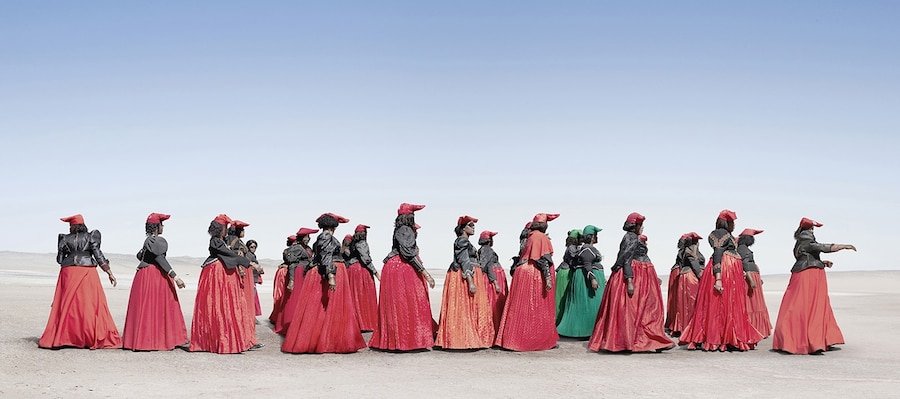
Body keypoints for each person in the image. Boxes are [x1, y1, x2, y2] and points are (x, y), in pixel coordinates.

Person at [282, 213, 366, 353]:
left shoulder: (323, 236)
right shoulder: (327, 236)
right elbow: (326, 256)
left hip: (325, 271)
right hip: (329, 271)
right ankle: (327, 341)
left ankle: (321, 339)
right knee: (327, 306)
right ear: (333, 226)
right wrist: (331, 275)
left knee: (321, 308)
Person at [679, 209, 762, 351]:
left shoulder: (727, 235)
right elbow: (718, 254)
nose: (734, 225)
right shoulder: (719, 234)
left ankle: (728, 336)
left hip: (730, 271)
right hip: (725, 272)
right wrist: (718, 278)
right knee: (723, 304)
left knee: (728, 304)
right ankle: (722, 337)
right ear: (725, 223)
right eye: (731, 222)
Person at [588, 213, 673, 353]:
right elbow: (626, 259)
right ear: (635, 226)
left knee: (643, 309)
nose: (643, 228)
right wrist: (629, 280)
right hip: (635, 276)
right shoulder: (631, 237)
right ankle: (640, 341)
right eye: (641, 225)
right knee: (639, 309)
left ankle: (648, 340)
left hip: (640, 275)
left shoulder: (632, 237)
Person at [772, 218, 856, 355]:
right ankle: (810, 341)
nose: (813, 230)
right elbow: (823, 247)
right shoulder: (807, 240)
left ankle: (810, 339)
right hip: (809, 276)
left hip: (805, 273)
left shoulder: (801, 242)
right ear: (809, 229)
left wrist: (821, 262)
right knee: (811, 306)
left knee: (800, 305)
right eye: (812, 228)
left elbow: (807, 255)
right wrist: (843, 246)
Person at [39, 214, 122, 349]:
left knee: (68, 304)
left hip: (69, 272)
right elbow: (98, 254)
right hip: (87, 271)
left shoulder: (64, 238)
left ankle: (65, 336)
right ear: (83, 225)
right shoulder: (91, 236)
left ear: (71, 227)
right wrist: (108, 271)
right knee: (89, 303)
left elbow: (60, 260)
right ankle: (87, 337)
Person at [369, 203, 437, 352]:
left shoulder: (400, 229)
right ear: (409, 217)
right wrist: (425, 273)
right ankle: (406, 340)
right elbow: (408, 254)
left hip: (395, 267)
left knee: (400, 303)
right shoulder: (405, 229)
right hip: (401, 269)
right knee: (408, 302)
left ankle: (397, 340)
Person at [190, 214, 257, 353]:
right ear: (220, 229)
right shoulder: (216, 242)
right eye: (225, 228)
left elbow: (230, 253)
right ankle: (222, 340)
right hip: (216, 275)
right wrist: (250, 263)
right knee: (220, 304)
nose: (226, 230)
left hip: (221, 273)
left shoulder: (221, 241)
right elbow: (229, 255)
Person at [123, 213, 188, 351]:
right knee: (159, 306)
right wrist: (175, 277)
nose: (163, 227)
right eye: (161, 225)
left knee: (146, 307)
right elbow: (160, 259)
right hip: (154, 276)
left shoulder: (147, 241)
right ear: (157, 226)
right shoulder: (157, 241)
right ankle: (156, 340)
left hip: (143, 276)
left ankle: (143, 339)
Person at [495, 213, 560, 351]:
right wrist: (548, 277)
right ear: (544, 225)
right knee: (535, 306)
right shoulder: (541, 237)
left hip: (522, 273)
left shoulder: (529, 237)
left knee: (519, 306)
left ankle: (512, 340)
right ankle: (533, 340)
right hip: (533, 274)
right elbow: (542, 259)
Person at [435, 216, 496, 349]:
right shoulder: (462, 241)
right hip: (464, 276)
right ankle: (461, 339)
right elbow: (464, 260)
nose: (473, 228)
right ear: (463, 228)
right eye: (470, 225)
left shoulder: (466, 242)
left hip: (471, 274)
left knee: (469, 305)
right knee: (463, 304)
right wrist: (470, 281)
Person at [557, 224, 605, 339]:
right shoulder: (588, 249)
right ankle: (586, 330)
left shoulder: (586, 248)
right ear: (592, 237)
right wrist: (593, 278)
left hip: (586, 278)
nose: (597, 237)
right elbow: (587, 264)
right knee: (590, 305)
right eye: (596, 235)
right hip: (587, 280)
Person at [274, 227, 318, 335]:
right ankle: (290, 324)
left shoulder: (306, 248)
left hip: (305, 274)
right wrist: (292, 280)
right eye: (307, 237)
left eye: (309, 237)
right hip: (298, 274)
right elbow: (292, 264)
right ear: (302, 237)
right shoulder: (297, 248)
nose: (308, 239)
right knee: (295, 298)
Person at [225, 220, 262, 346]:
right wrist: (241, 269)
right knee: (244, 303)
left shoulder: (232, 240)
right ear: (239, 231)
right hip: (242, 274)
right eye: (243, 230)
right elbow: (235, 257)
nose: (244, 232)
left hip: (243, 272)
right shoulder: (235, 241)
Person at [666, 232, 705, 338]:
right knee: (692, 302)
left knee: (685, 302)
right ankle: (690, 327)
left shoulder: (684, 250)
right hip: (691, 277)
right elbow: (695, 263)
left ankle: (683, 326)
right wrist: (702, 276)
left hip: (686, 275)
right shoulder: (692, 249)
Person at [737, 228, 771, 339]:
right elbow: (745, 264)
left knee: (755, 303)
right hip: (750, 277)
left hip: (753, 276)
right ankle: (755, 328)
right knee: (753, 303)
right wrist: (751, 280)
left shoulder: (743, 248)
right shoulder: (743, 249)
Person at [347, 224, 380, 332]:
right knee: (364, 295)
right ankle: (366, 323)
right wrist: (375, 272)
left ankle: (356, 321)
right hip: (361, 271)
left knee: (355, 295)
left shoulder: (353, 243)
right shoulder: (362, 243)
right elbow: (366, 259)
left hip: (352, 269)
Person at [477, 230, 507, 335]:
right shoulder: (488, 250)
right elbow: (487, 266)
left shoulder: (482, 250)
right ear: (489, 240)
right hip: (492, 279)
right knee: (493, 304)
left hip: (490, 278)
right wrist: (495, 282)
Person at [555, 229, 582, 323]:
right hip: (565, 273)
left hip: (565, 272)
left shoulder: (572, 247)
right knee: (562, 298)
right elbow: (575, 257)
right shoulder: (571, 248)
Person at [268, 234, 296, 325]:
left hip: (285, 272)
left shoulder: (287, 251)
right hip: (285, 273)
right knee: (281, 294)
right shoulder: (290, 251)